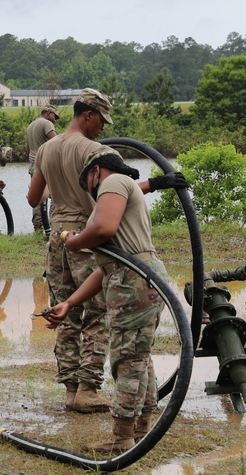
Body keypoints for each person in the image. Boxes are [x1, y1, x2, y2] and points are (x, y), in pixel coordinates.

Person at [44, 146, 184, 454]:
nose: (93, 195)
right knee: (138, 359)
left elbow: (102, 229)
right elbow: (105, 269)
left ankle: (122, 437)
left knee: (127, 361)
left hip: (133, 281)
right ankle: (140, 429)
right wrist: (69, 303)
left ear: (95, 173)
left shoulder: (113, 180)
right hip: (138, 276)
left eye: (89, 188)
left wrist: (74, 240)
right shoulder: (122, 189)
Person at [26, 88, 113, 413]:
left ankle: (71, 388)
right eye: (101, 120)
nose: (103, 127)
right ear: (87, 114)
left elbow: (34, 199)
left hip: (56, 240)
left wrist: (59, 185)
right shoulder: (95, 150)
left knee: (63, 311)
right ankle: (88, 389)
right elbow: (111, 196)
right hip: (84, 237)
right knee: (96, 312)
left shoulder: (47, 149)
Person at [26, 104, 58, 233]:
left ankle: (38, 227)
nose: (55, 119)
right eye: (55, 116)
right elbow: (57, 142)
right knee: (56, 194)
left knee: (37, 195)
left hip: (33, 164)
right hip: (46, 164)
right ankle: (52, 225)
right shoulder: (46, 123)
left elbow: (28, 148)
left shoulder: (31, 126)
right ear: (49, 113)